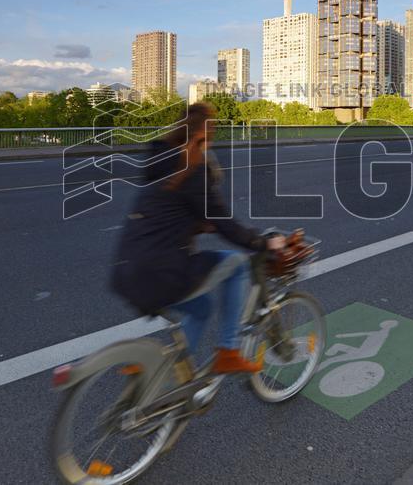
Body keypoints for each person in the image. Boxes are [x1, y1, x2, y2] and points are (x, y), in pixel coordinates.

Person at [111, 102, 284, 374]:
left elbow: (164, 212)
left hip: (127, 271)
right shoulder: (192, 168)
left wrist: (193, 224)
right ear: (206, 134)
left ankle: (165, 378)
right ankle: (229, 350)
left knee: (201, 309)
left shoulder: (159, 159)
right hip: (162, 271)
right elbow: (225, 224)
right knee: (238, 264)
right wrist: (263, 243)